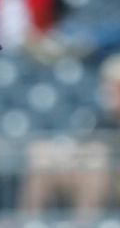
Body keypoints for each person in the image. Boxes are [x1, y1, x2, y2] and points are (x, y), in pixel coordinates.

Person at [20, 54, 120, 224]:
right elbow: (81, 146)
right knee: (41, 153)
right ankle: (29, 222)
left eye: (115, 88)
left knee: (96, 157)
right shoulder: (100, 120)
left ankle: (84, 223)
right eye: (107, 87)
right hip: (90, 177)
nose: (108, 92)